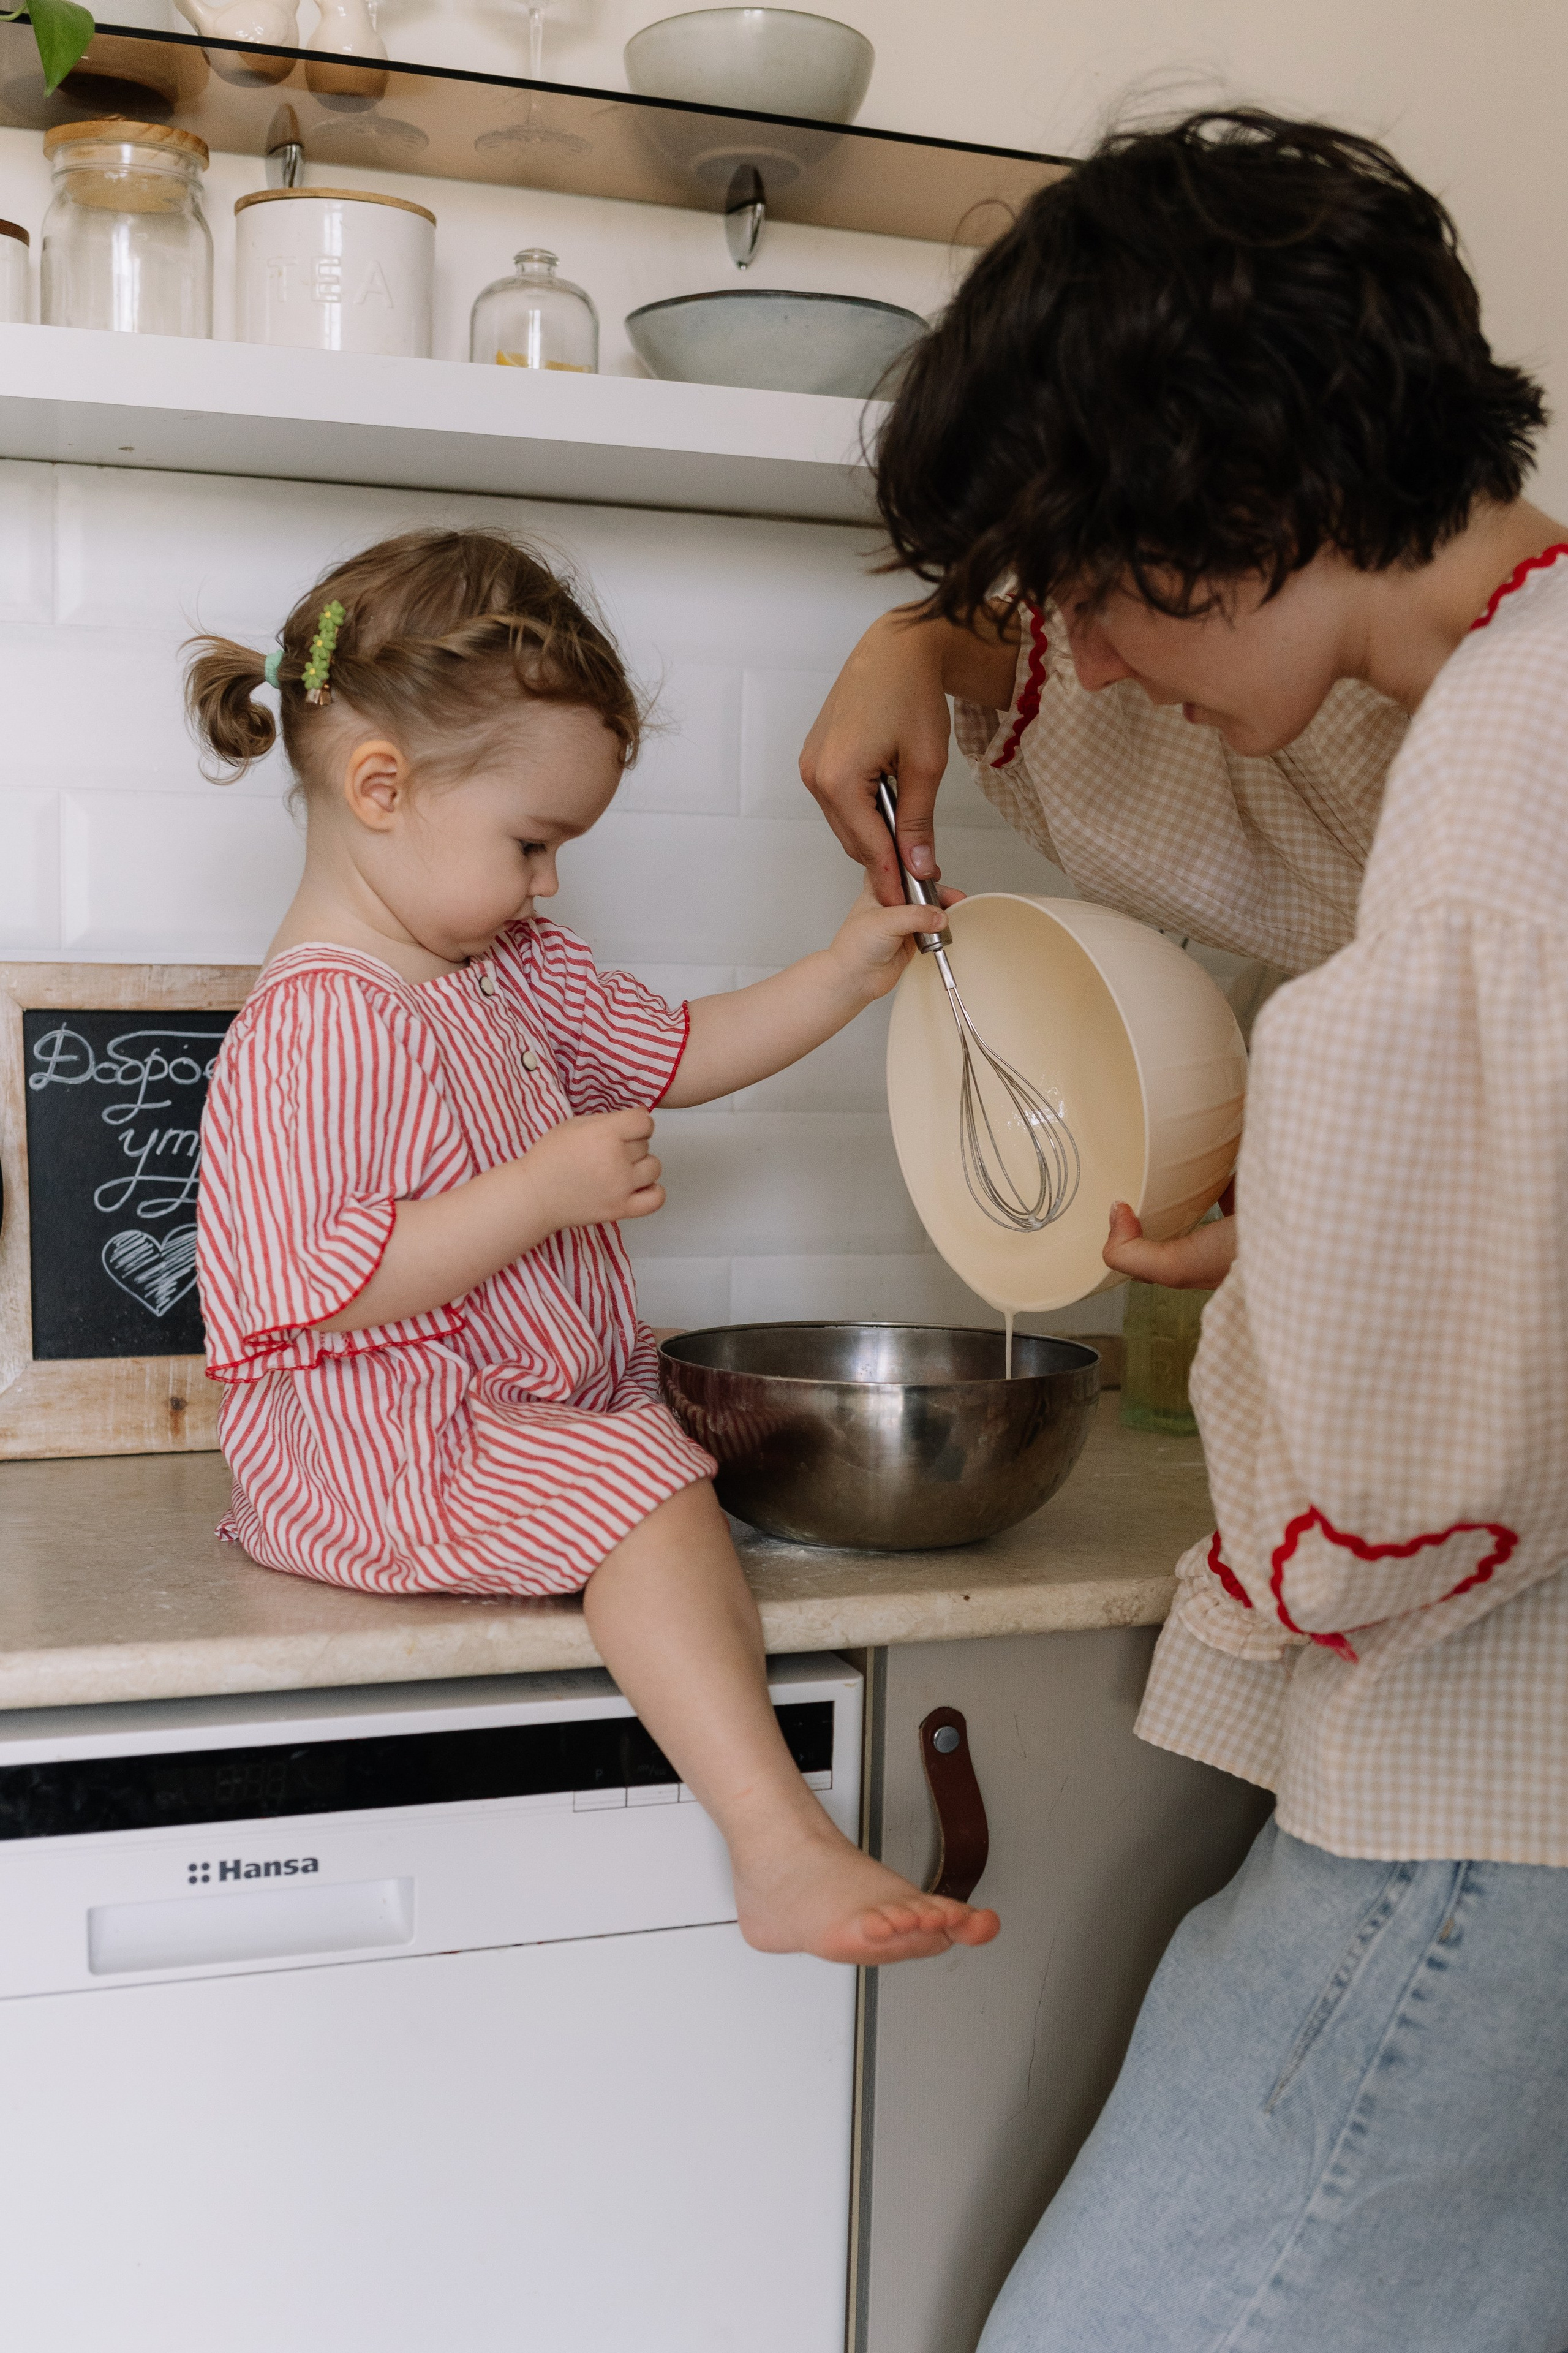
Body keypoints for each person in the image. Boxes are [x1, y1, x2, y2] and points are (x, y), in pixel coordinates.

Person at [802, 111, 1568, 2352]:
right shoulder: (1487, 692)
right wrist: (937, 657)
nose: (1100, 669)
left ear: (1240, 512)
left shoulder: (1511, 778)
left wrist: (1310, 1252)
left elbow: (1424, 1474)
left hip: (1494, 1789)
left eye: (1105, 593)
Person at [186, 526, 999, 1973]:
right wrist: (544, 1189)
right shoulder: (319, 1019)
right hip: (380, 1450)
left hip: (487, 1410)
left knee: (671, 1428)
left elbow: (674, 1053)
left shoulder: (494, 964)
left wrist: (839, 972)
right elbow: (314, 1288)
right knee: (643, 1480)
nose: (550, 884)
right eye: (533, 843)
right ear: (381, 788)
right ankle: (776, 1845)